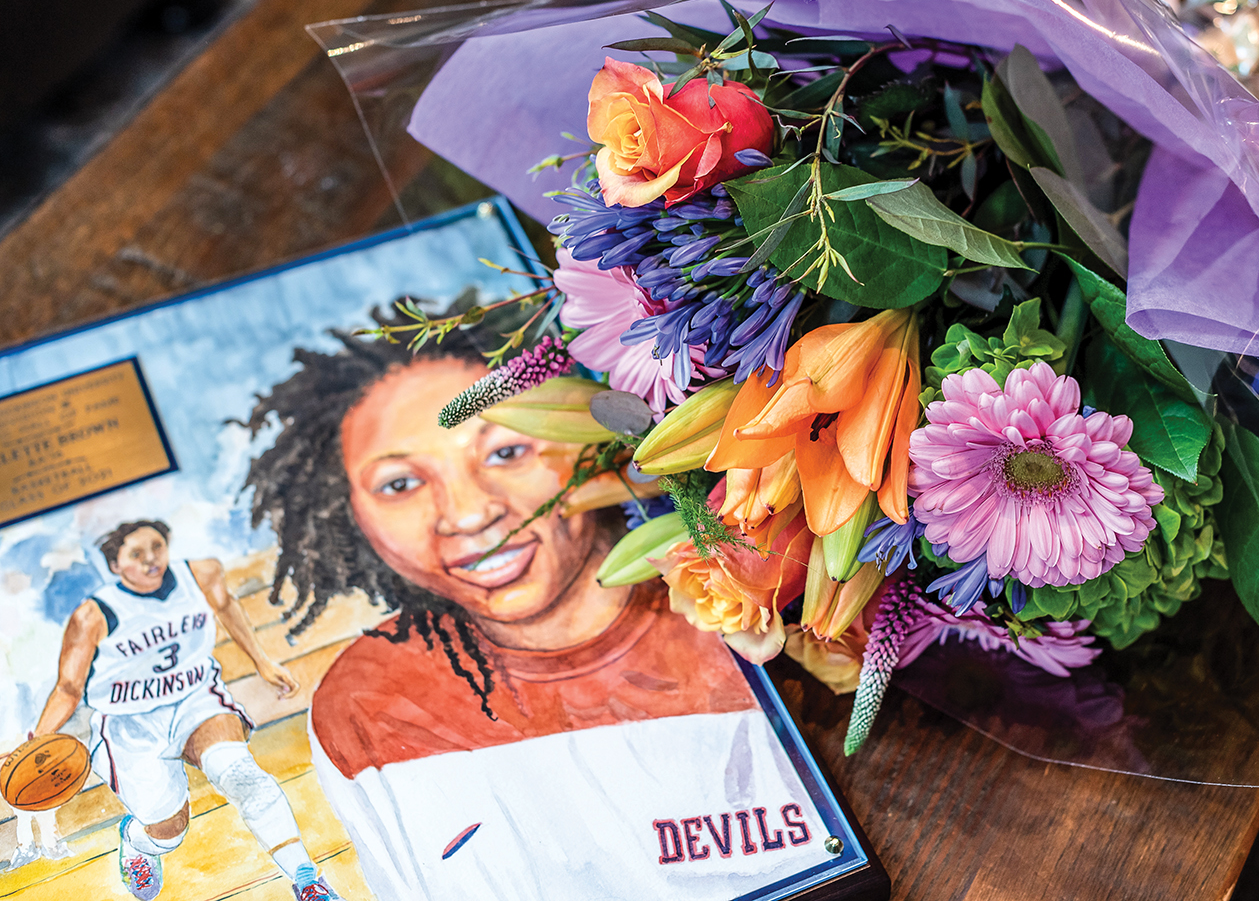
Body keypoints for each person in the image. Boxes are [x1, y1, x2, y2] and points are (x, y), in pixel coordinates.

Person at [241, 326, 829, 901]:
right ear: (350, 517)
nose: (467, 515)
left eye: (506, 451)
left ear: (588, 435)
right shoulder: (366, 704)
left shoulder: (741, 591)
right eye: (399, 484)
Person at [31, 520, 343, 901]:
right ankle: (139, 842)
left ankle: (307, 880)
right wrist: (39, 739)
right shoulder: (93, 616)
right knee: (168, 831)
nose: (150, 560)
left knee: (245, 778)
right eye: (136, 554)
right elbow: (68, 687)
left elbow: (226, 606)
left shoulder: (201, 573)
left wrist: (262, 662)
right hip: (131, 724)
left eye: (157, 547)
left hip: (196, 698)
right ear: (116, 566)